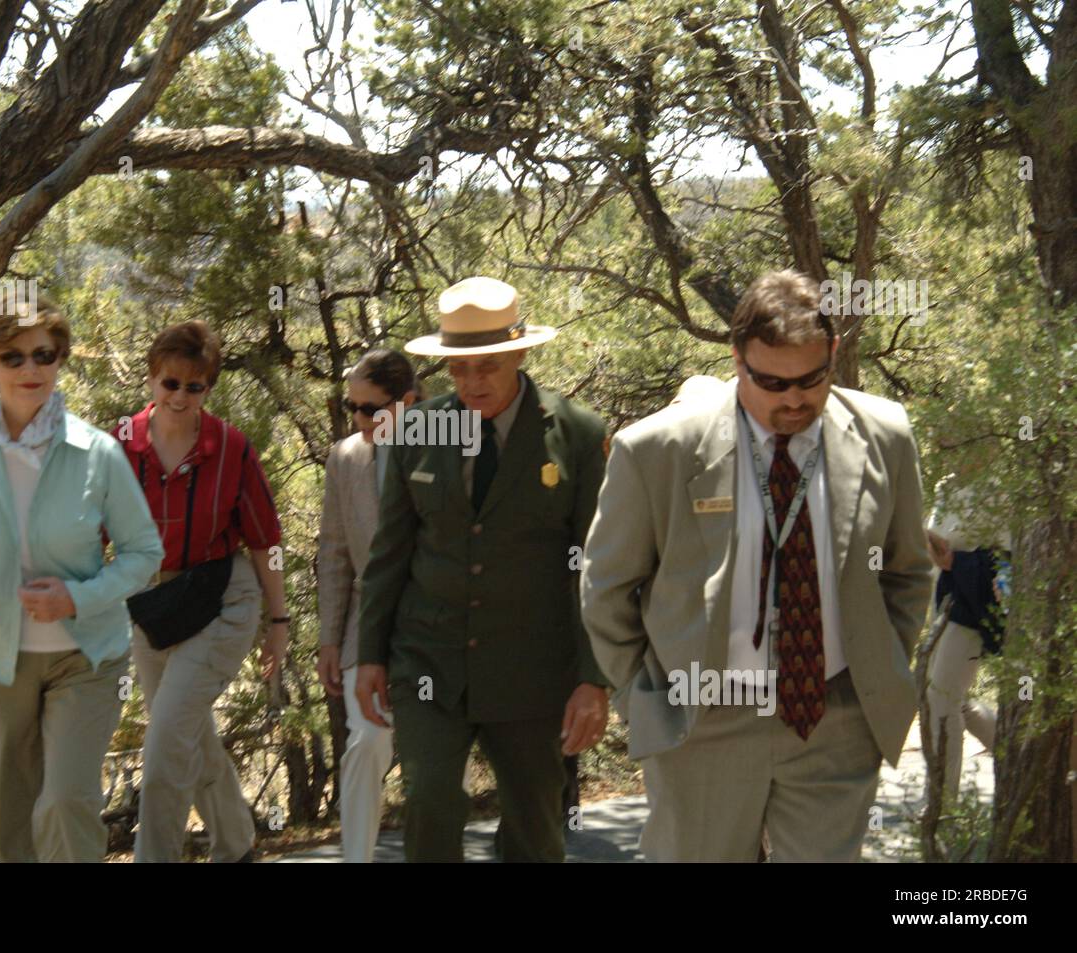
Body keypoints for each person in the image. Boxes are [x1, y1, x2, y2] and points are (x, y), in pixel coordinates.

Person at [581, 269, 934, 862]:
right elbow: (607, 588)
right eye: (771, 382)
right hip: (704, 720)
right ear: (737, 360)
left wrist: (879, 660)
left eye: (811, 379)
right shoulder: (657, 450)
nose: (793, 398)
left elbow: (908, 573)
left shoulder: (885, 435)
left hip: (834, 718)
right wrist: (649, 695)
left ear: (834, 354)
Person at [356, 276, 610, 863]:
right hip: (429, 660)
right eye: (459, 368)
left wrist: (593, 678)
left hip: (531, 668)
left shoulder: (576, 435)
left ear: (520, 353)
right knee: (430, 802)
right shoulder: (417, 432)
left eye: (488, 366)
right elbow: (389, 552)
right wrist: (370, 654)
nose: (472, 383)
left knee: (534, 824)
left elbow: (594, 566)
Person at [0, 294, 164, 862]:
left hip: (87, 658)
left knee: (66, 803)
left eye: (44, 355)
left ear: (59, 360)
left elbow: (145, 553)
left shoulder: (97, 453)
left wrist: (78, 597)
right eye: (13, 357)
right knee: (13, 829)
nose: (31, 370)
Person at [114, 321, 288, 864]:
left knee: (166, 741)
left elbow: (266, 541)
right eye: (171, 384)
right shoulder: (121, 447)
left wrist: (277, 623)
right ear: (151, 380)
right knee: (190, 734)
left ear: (208, 388)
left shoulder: (231, 448)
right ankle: (236, 845)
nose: (181, 397)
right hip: (154, 604)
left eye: (195, 387)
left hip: (222, 600)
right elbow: (89, 529)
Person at [317, 348, 418, 862]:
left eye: (369, 409)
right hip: (364, 630)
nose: (357, 420)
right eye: (350, 407)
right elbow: (333, 554)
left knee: (435, 755)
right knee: (366, 744)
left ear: (407, 403)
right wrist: (328, 640)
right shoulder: (345, 458)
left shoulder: (442, 451)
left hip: (429, 628)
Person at [923, 475, 1009, 797]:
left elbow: (1006, 559)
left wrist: (955, 561)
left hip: (970, 610)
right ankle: (1017, 752)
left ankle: (942, 805)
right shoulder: (945, 484)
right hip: (944, 606)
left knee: (942, 698)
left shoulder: (1000, 484)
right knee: (951, 700)